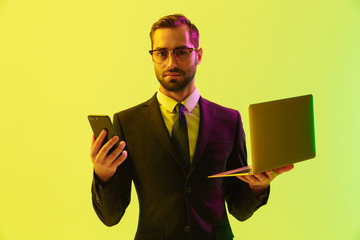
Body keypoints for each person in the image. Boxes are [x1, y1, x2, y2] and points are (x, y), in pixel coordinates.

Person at [90, 14, 293, 240]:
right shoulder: (127, 123)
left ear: (198, 55)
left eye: (181, 52)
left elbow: (239, 210)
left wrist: (257, 187)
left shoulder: (229, 120)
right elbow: (111, 217)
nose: (171, 62)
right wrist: (103, 175)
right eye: (161, 53)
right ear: (152, 57)